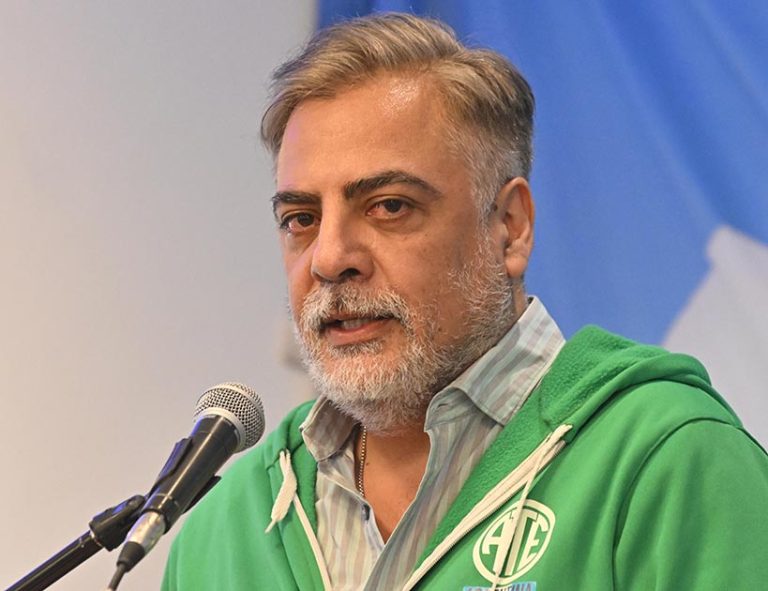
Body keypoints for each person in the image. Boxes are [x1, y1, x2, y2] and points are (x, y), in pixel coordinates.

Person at [162, 13, 768, 590]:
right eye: (301, 218)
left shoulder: (666, 459)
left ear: (510, 226)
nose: (329, 257)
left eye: (389, 206)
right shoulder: (224, 527)